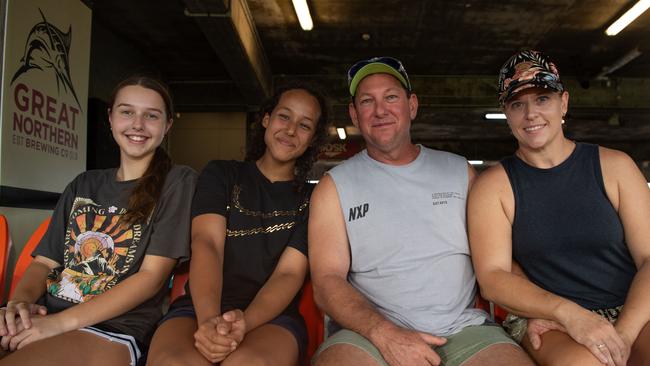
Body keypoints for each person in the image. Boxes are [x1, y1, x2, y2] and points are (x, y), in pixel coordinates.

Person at [309, 56, 533, 366]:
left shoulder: (459, 171)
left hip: (463, 331)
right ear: (354, 114)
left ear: (411, 105)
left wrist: (539, 313)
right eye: (367, 101)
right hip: (366, 336)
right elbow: (326, 281)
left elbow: (498, 259)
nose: (380, 110)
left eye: (391, 97)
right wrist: (384, 334)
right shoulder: (333, 186)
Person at [468, 49, 650, 366]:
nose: (530, 114)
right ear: (506, 113)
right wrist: (568, 314)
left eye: (542, 99)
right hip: (547, 317)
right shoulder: (493, 186)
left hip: (629, 307)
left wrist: (623, 335)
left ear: (563, 102)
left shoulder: (615, 166)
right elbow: (493, 277)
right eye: (517, 104)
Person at [0, 76, 196, 366]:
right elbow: (44, 263)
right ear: (110, 117)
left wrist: (59, 324)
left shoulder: (178, 181)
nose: (137, 124)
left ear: (167, 125)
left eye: (151, 115)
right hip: (45, 315)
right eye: (127, 111)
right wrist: (19, 305)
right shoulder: (84, 183)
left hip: (114, 328)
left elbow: (151, 278)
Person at [146, 84, 329, 366]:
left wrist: (245, 322)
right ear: (266, 120)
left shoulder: (313, 199)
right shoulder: (221, 174)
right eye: (284, 117)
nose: (291, 130)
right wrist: (208, 322)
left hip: (273, 317)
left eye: (304, 125)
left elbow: (289, 273)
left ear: (313, 138)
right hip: (198, 308)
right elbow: (207, 244)